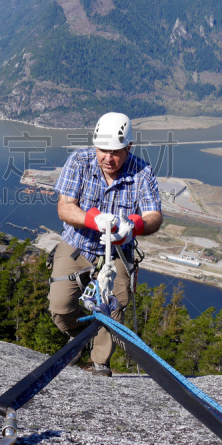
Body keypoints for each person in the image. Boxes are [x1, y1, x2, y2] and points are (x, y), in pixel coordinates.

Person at [49, 112, 163, 376]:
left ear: (128, 148)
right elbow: (65, 208)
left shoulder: (142, 173)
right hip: (78, 244)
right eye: (102, 151)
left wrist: (132, 226)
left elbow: (154, 216)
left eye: (115, 152)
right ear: (94, 145)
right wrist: (93, 219)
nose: (108, 158)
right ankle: (78, 335)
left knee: (114, 308)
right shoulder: (79, 161)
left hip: (118, 254)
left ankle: (100, 362)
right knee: (60, 305)